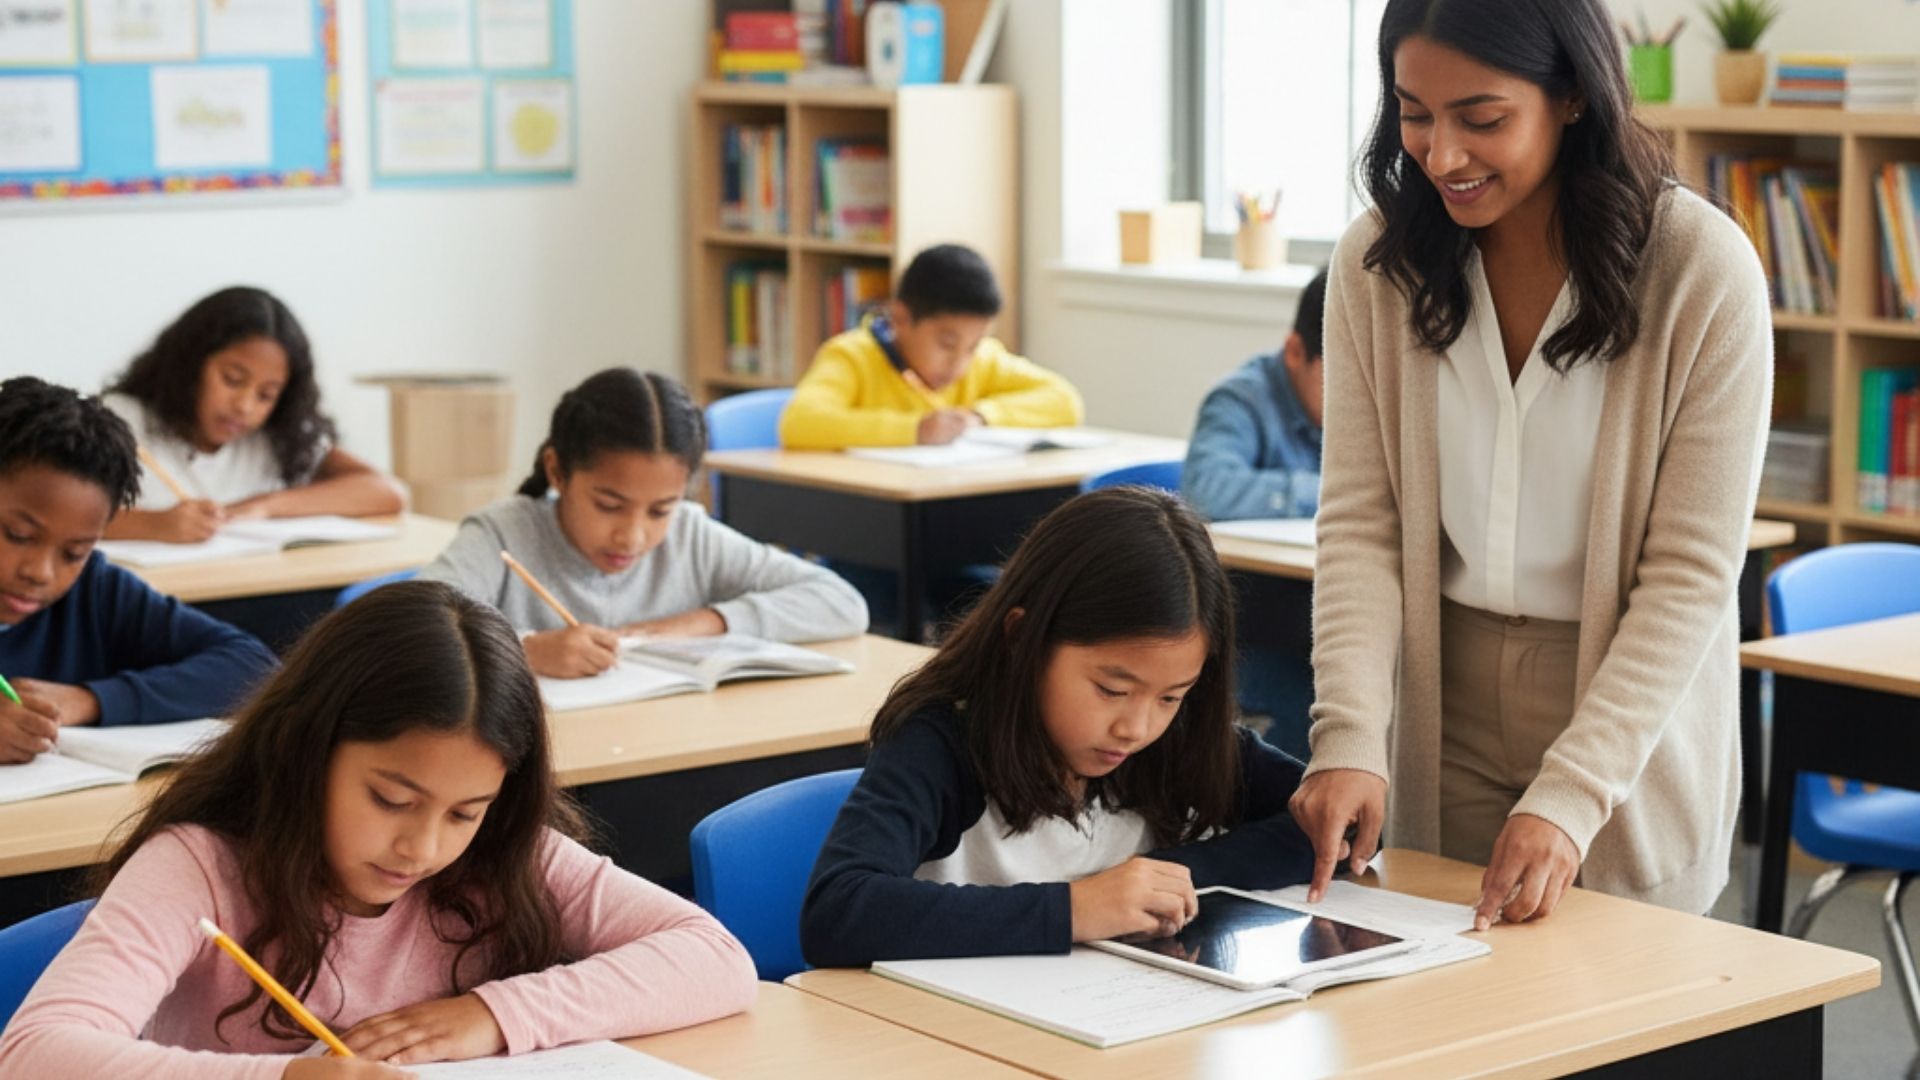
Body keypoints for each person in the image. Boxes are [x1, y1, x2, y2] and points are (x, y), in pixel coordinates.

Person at [1291, 0, 1771, 929]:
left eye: (1483, 118)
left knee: (1622, 1028)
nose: (1440, 155)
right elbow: (1360, 522)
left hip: (1624, 712)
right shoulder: (1376, 266)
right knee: (1446, 1023)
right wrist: (1348, 733)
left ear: (1574, 99)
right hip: (1442, 698)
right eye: (1414, 113)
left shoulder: (1701, 271)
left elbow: (1691, 575)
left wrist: (1573, 793)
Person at [0, 581, 757, 1078]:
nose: (423, 849)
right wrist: (287, 1077)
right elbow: (34, 1053)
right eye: (392, 799)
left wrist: (493, 1015)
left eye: (465, 812)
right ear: (309, 748)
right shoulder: (199, 868)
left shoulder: (501, 854)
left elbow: (716, 957)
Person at [801, 487, 1313, 966]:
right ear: (1024, 637)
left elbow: (1336, 823)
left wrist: (1167, 878)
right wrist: (1075, 908)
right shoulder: (941, 741)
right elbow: (839, 910)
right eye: (1112, 690)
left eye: (1172, 697)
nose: (1136, 728)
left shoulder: (1175, 739)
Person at [419, 368, 867, 679]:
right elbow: (416, 630)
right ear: (557, 471)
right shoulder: (504, 535)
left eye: (660, 510)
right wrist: (526, 651)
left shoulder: (692, 536)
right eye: (609, 505)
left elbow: (842, 603)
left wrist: (705, 622)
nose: (633, 536)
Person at [0, 376, 276, 763]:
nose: (41, 572)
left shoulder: (94, 592)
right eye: (18, 535)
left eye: (73, 553)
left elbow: (254, 666)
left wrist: (88, 700)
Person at [102, 286, 405, 544]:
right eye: (232, 379)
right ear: (190, 364)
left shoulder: (278, 438)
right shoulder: (122, 418)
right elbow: (59, 511)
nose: (245, 406)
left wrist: (263, 506)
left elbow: (386, 492)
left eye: (266, 395)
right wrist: (155, 525)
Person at [779, 244, 1083, 449]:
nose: (958, 364)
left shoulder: (983, 361)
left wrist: (979, 416)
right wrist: (916, 430)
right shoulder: (852, 356)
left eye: (972, 346)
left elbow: (1065, 401)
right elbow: (800, 423)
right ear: (900, 318)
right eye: (946, 343)